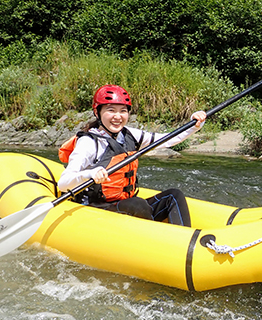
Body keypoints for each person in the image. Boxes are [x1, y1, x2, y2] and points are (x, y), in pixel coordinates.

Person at [57, 84, 207, 227]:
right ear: (97, 112)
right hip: (96, 209)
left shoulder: (129, 134)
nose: (118, 116)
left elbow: (168, 140)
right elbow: (63, 183)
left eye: (123, 111)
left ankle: (182, 239)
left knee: (174, 195)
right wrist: (89, 174)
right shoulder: (89, 142)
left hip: (124, 205)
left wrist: (194, 125)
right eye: (111, 110)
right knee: (137, 204)